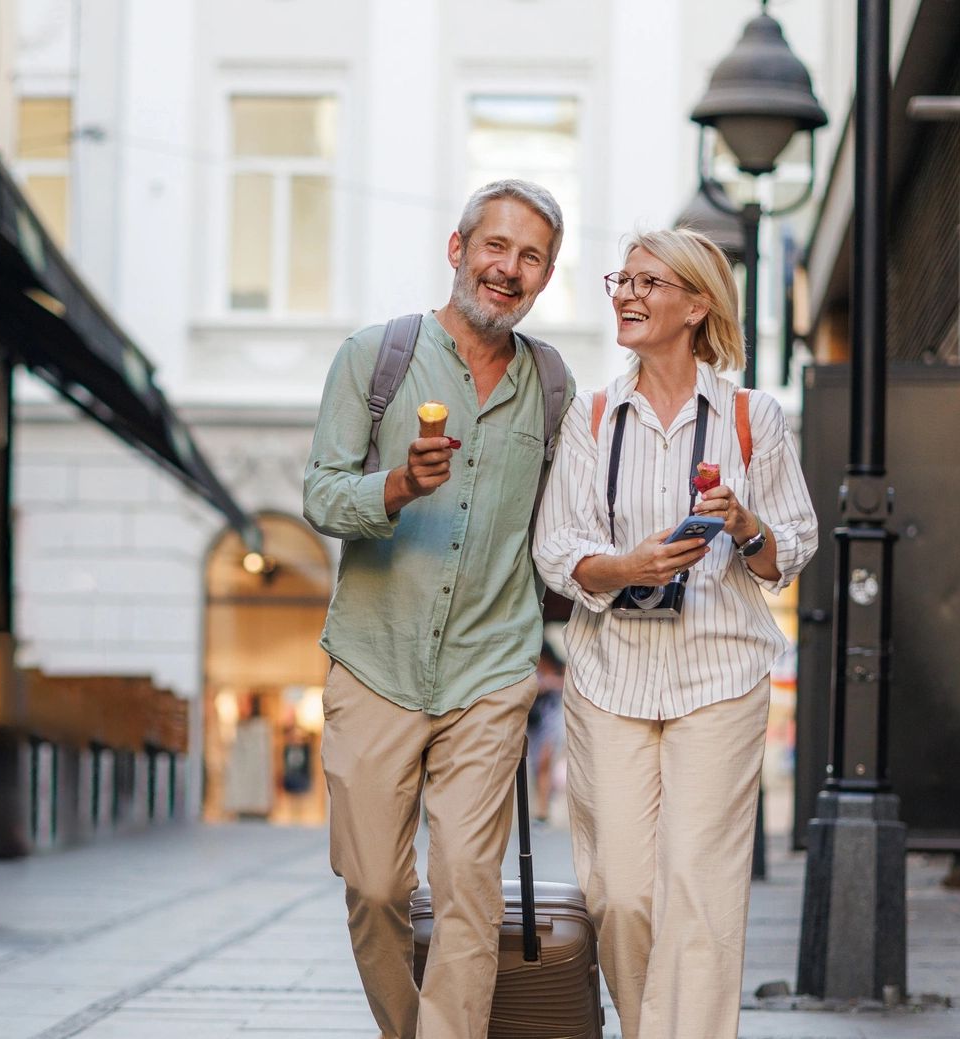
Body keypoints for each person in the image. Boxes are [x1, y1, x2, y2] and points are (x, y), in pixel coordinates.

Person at [304, 179, 575, 1039]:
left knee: (468, 883)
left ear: (545, 277)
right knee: (378, 884)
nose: (510, 269)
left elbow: (563, 525)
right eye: (496, 247)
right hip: (375, 659)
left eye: (531, 257)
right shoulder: (375, 357)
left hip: (492, 670)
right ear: (457, 250)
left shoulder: (552, 383)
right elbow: (318, 493)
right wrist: (396, 485)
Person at [532, 227, 817, 1039]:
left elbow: (788, 549)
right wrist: (630, 567)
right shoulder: (591, 417)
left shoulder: (752, 417)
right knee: (620, 890)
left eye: (648, 282)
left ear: (697, 305)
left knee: (698, 886)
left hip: (719, 673)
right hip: (609, 674)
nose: (625, 292)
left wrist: (746, 523)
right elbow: (559, 551)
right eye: (622, 278)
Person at [526, 642, 565, 822]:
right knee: (537, 766)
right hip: (534, 725)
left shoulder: (559, 670)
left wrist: (550, 683)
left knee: (544, 763)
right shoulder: (530, 671)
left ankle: (543, 809)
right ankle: (541, 807)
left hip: (552, 724)